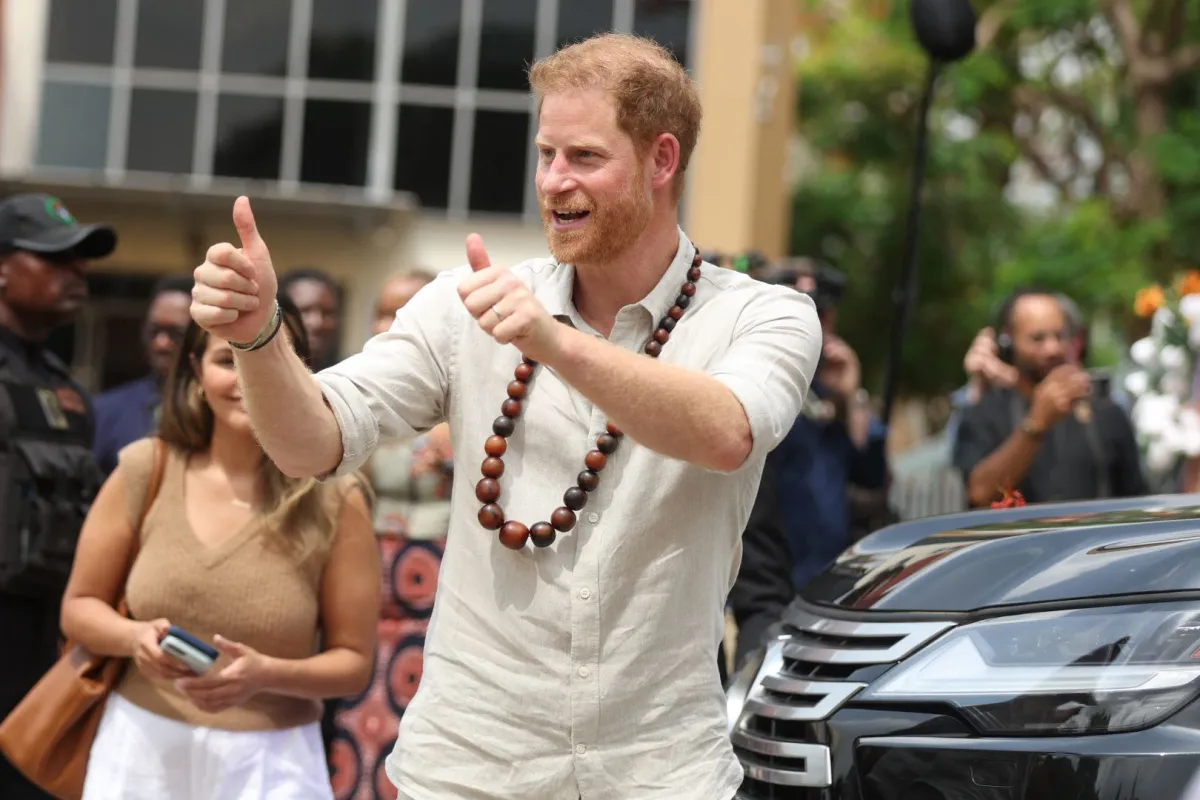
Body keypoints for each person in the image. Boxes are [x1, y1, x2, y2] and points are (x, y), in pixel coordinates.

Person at [189, 32, 822, 800]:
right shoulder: (464, 305)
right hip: (470, 769)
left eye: (584, 157)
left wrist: (551, 342)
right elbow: (310, 443)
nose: (554, 181)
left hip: (659, 773)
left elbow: (727, 432)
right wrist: (258, 338)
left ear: (663, 162)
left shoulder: (767, 317)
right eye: (546, 153)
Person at [59, 295, 380, 800]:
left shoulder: (337, 497)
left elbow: (354, 663)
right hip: (137, 752)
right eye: (227, 359)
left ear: (301, 370)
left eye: (266, 357)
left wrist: (266, 675)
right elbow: (78, 610)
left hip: (271, 766)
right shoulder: (146, 467)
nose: (247, 378)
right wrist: (135, 637)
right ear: (195, 370)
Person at [0, 192, 115, 800]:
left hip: (43, 633)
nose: (76, 274)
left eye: (81, 262)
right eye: (55, 259)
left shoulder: (64, 388)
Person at [327, 270, 453, 800]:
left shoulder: (473, 399)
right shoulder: (357, 395)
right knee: (350, 739)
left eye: (403, 309)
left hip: (437, 611)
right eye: (381, 309)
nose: (387, 322)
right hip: (364, 604)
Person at [953, 287, 1148, 507]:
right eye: (1038, 338)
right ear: (1008, 343)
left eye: (1059, 336)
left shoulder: (1105, 410)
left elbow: (1137, 499)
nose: (1052, 348)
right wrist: (1036, 424)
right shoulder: (984, 410)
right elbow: (979, 493)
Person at [92, 274, 193, 474]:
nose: (161, 343)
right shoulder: (107, 411)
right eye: (154, 331)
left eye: (176, 333)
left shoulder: (224, 411)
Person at [279, 267, 342, 370]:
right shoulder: (255, 375)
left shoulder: (347, 376)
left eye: (327, 313)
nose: (317, 322)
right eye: (304, 311)